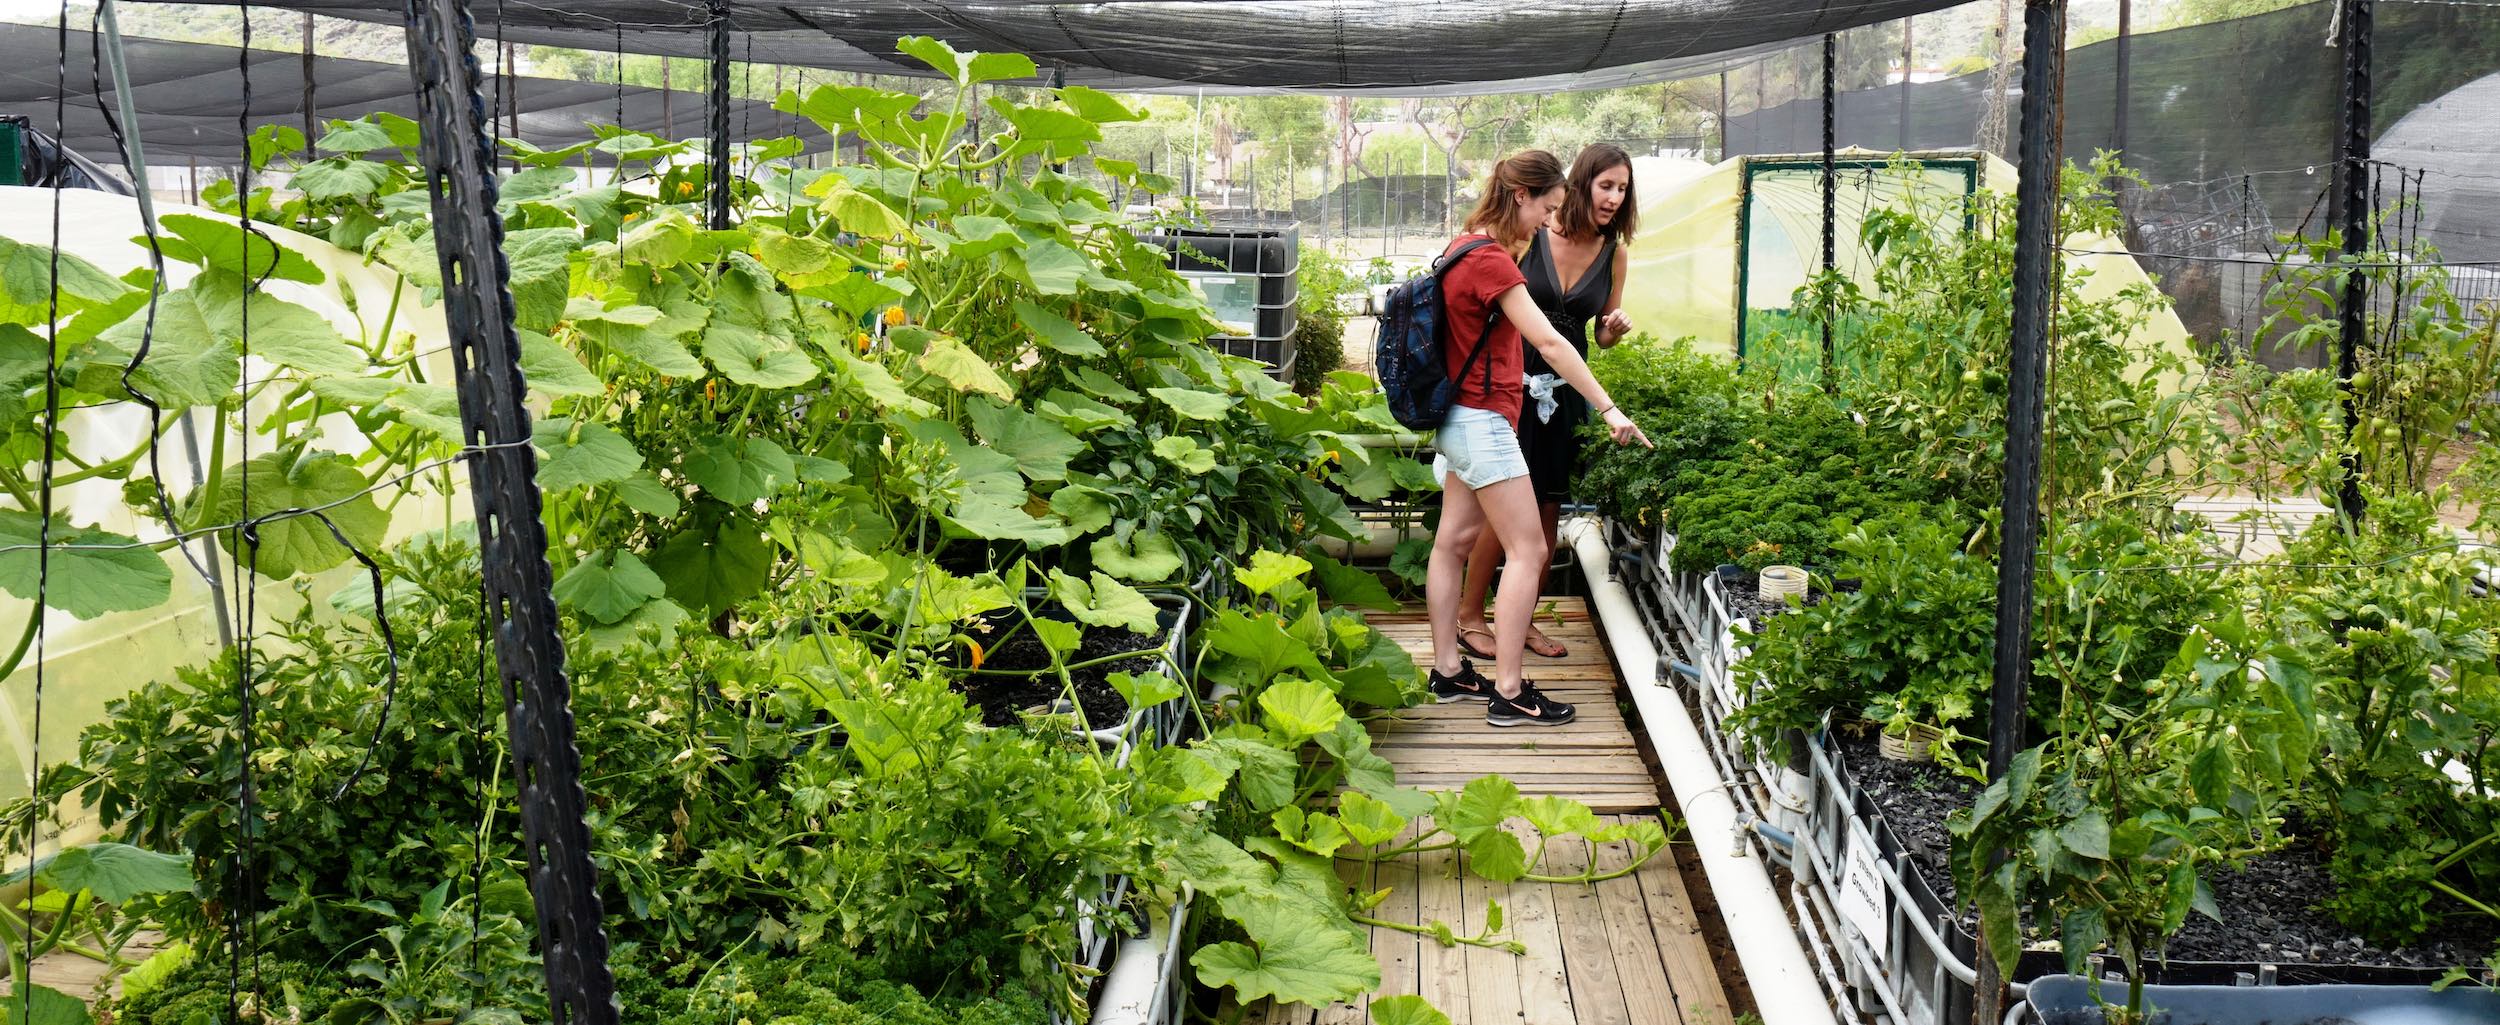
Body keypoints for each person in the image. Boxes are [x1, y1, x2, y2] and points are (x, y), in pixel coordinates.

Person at [1424, 150, 1651, 727]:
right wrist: (1609, 408)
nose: (1546, 222)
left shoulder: (1461, 244)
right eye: (1545, 208)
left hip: (1456, 416)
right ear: (1522, 197)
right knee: (1530, 549)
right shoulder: (1496, 262)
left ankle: (1448, 671)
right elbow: (1550, 343)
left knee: (1452, 542)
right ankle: (1509, 689)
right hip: (1487, 419)